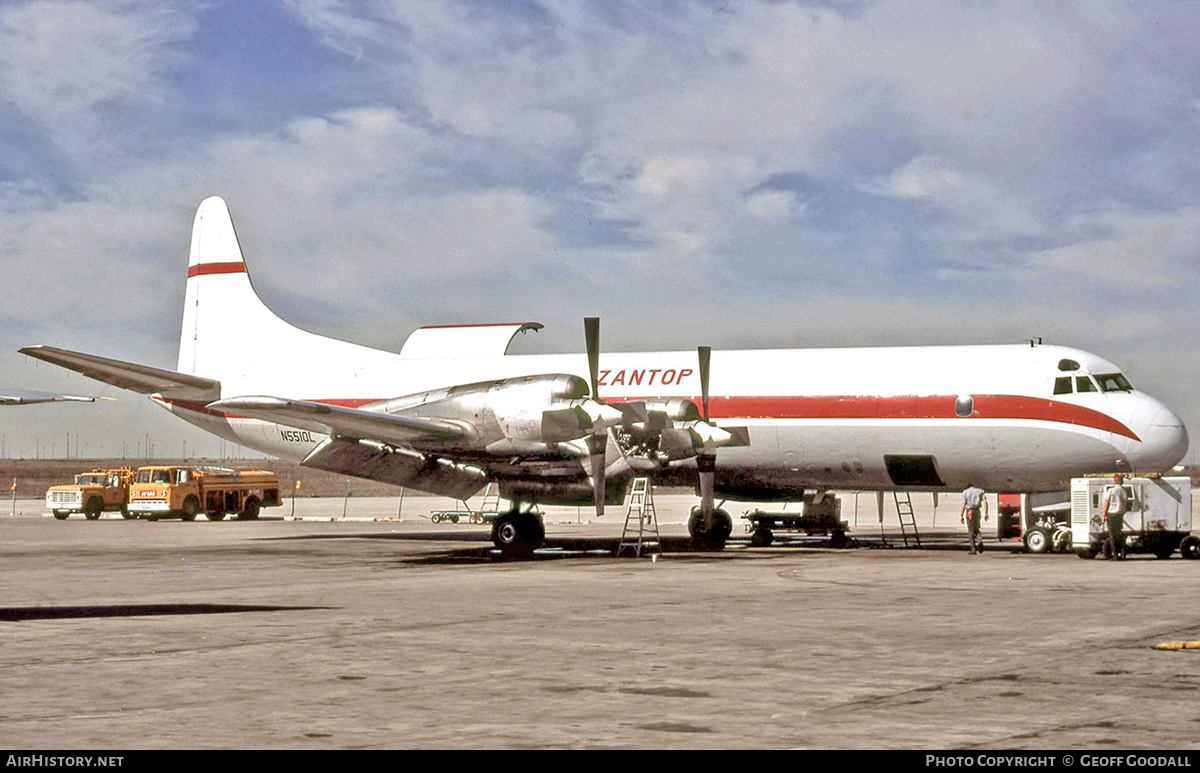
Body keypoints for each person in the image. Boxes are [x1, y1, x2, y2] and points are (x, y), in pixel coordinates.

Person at [1102, 473, 1129, 560]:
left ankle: (1115, 554)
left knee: (1112, 535)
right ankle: (1122, 553)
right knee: (1119, 535)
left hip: (1112, 514)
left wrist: (1104, 515)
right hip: (1119, 515)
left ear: (1115, 481)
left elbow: (1106, 503)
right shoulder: (1124, 491)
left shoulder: (1111, 491)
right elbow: (1125, 504)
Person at [960, 484, 989, 554]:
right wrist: (986, 512)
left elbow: (963, 504)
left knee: (971, 531)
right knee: (977, 529)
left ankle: (973, 549)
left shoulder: (965, 492)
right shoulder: (980, 491)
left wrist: (961, 515)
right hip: (977, 511)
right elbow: (985, 501)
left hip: (970, 512)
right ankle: (979, 541)